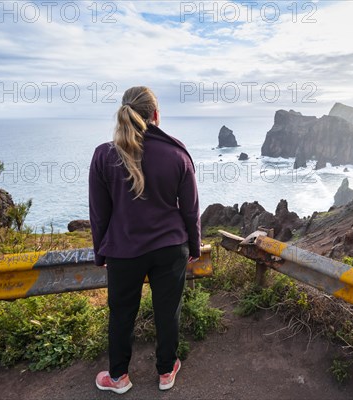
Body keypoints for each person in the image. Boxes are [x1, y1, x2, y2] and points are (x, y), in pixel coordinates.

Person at [89, 86, 201, 394]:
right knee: (168, 311)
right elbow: (190, 210)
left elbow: (99, 214)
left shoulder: (103, 155)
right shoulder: (177, 152)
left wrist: (101, 253)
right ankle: (166, 371)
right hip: (170, 248)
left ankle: (118, 377)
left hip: (124, 251)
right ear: (155, 115)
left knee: (122, 313)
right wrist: (194, 246)